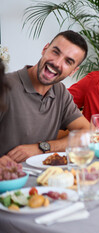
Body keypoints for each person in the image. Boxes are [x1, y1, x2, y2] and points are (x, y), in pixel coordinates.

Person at [0, 30, 90, 163]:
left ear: (73, 71)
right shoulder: (5, 86)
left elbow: (88, 133)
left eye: (68, 61)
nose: (57, 63)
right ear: (45, 49)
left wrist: (42, 148)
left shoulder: (60, 92)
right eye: (55, 52)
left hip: (44, 178)